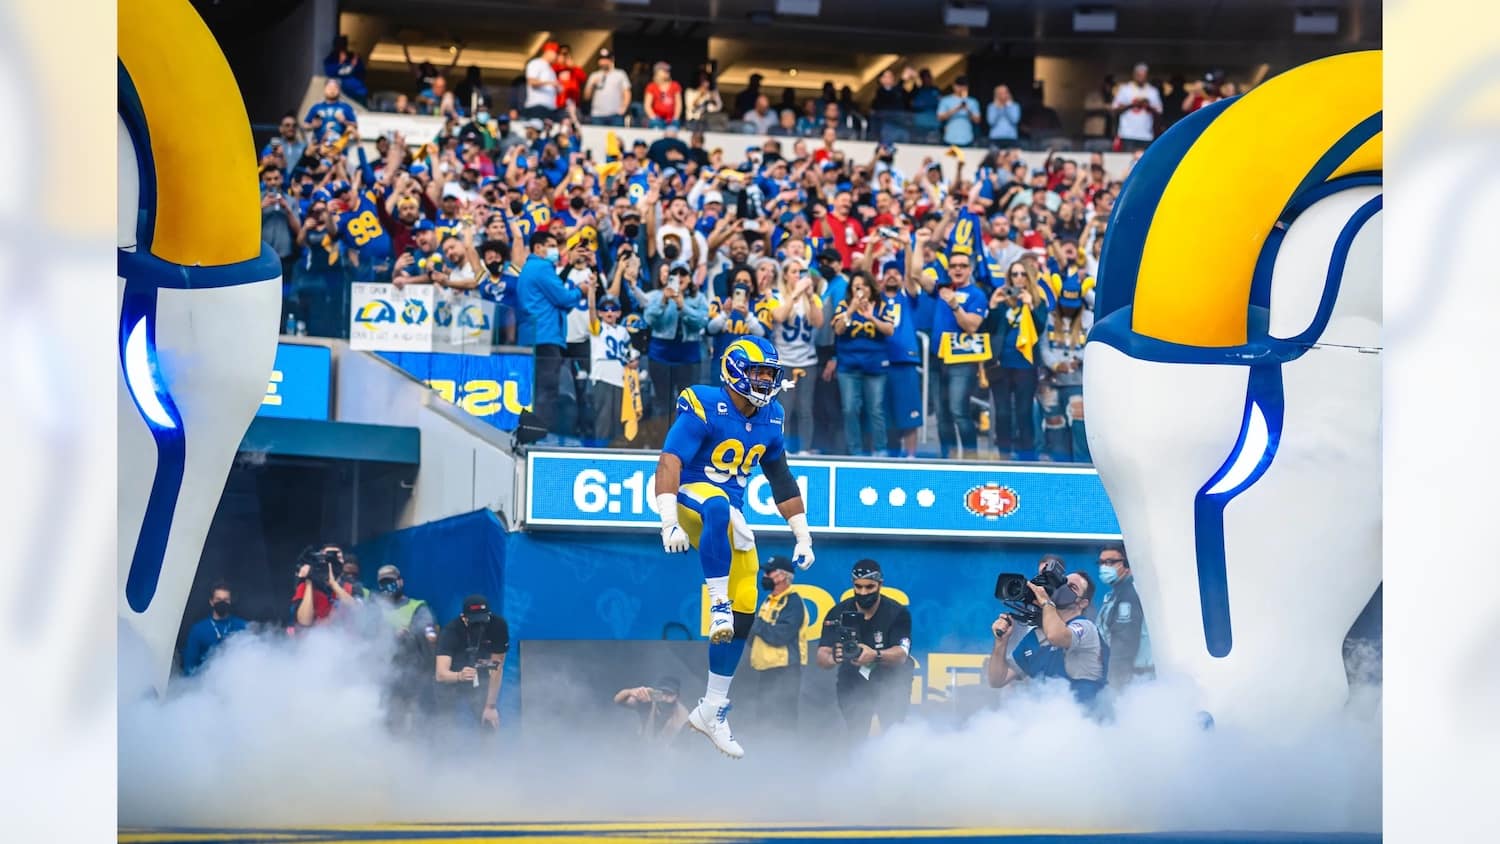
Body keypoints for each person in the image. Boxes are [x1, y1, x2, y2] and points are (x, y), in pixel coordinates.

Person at [654, 335, 817, 759]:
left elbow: (780, 477)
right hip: (692, 497)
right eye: (758, 373)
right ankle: (716, 601)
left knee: (745, 610)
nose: (765, 383)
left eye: (770, 375)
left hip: (730, 517)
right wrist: (668, 521)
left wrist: (802, 532)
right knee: (716, 504)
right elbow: (669, 460)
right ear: (733, 371)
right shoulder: (704, 402)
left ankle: (712, 708)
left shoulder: (772, 416)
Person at [815, 560, 913, 740]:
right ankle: (857, 764)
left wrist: (874, 655)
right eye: (858, 587)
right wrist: (834, 658)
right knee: (855, 734)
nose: (863, 592)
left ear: (880, 585)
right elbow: (822, 655)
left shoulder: (897, 612)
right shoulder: (837, 612)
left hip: (890, 679)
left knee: (893, 733)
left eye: (869, 587)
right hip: (853, 679)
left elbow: (902, 654)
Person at [912, 230, 988, 459]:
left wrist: (955, 305)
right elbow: (916, 273)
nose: (957, 269)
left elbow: (972, 326)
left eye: (962, 265)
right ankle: (949, 459)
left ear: (970, 269)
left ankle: (971, 458)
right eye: (953, 265)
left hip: (962, 361)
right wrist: (920, 242)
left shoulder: (977, 295)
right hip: (938, 358)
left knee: (958, 410)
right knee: (943, 414)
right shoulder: (941, 289)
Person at [987, 571, 1107, 707]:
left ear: (1083, 603)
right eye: (1063, 583)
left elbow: (1056, 636)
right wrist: (1001, 642)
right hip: (1046, 720)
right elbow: (997, 679)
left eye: (1072, 587)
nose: (1063, 589)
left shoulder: (1085, 627)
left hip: (1085, 719)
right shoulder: (1036, 635)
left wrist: (1046, 602)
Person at [517, 231, 581, 436]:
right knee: (547, 389)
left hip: (532, 336)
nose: (556, 250)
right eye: (552, 245)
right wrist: (582, 290)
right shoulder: (543, 267)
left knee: (535, 388)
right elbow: (563, 298)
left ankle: (531, 430)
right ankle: (541, 433)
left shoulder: (529, 268)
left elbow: (552, 296)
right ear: (538, 248)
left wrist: (569, 266)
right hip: (546, 337)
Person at [981, 261, 1046, 460]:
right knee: (1001, 413)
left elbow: (1040, 328)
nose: (1018, 278)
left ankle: (1027, 457)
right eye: (1014, 274)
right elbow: (988, 330)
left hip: (1025, 365)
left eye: (1022, 274)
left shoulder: (1037, 302)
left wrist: (1030, 306)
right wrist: (992, 306)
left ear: (1029, 278)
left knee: (1024, 412)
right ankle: (1004, 456)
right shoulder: (1001, 303)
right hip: (1000, 364)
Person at [830, 270, 894, 456]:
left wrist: (871, 317)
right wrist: (851, 310)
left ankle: (880, 451)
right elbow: (838, 330)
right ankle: (855, 451)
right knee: (850, 409)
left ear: (871, 287)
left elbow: (889, 330)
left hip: (875, 366)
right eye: (856, 285)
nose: (860, 289)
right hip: (849, 367)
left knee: (876, 409)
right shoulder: (843, 305)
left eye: (864, 285)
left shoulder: (881, 305)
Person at [765, 259, 823, 453]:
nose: (799, 276)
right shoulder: (775, 295)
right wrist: (796, 293)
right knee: (785, 408)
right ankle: (782, 449)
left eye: (801, 272)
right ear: (785, 275)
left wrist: (810, 296)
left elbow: (819, 322)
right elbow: (779, 316)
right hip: (784, 360)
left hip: (807, 360)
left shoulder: (812, 298)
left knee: (806, 408)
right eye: (794, 272)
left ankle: (805, 449)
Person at [747, 555, 805, 739]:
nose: (765, 575)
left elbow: (779, 636)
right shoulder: (769, 600)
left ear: (782, 576)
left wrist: (754, 623)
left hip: (785, 670)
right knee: (764, 720)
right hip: (767, 670)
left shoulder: (793, 602)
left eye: (769, 572)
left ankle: (784, 758)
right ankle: (766, 758)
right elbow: (755, 634)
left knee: (782, 721)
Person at [375, 565, 437, 731]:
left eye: (391, 581)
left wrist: (408, 633)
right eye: (383, 583)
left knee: (418, 725)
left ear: (400, 581)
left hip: (414, 676)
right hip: (386, 678)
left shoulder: (418, 607)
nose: (387, 586)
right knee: (390, 726)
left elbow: (429, 634)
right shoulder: (375, 609)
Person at [434, 594, 508, 730]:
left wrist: (490, 706)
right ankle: (445, 747)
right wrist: (459, 676)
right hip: (454, 677)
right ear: (464, 617)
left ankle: (489, 749)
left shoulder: (498, 625)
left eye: (483, 621)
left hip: (480, 676)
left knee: (489, 722)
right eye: (475, 621)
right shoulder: (450, 631)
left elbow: (497, 666)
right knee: (444, 722)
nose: (479, 626)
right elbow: (440, 674)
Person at [586, 279, 637, 446]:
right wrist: (591, 292)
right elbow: (591, 312)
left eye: (613, 309)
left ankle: (616, 451)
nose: (609, 313)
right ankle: (600, 451)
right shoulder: (598, 328)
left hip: (620, 379)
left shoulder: (623, 332)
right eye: (605, 309)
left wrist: (632, 363)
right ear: (601, 313)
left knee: (618, 419)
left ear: (619, 313)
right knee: (603, 419)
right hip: (602, 376)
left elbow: (630, 355)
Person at [1096, 544, 1148, 689]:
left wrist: (1117, 683)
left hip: (1135, 677)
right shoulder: (1115, 595)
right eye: (1101, 562)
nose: (1105, 567)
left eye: (1111, 562)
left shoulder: (1129, 595)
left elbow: (1124, 644)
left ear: (1127, 564)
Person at [180, 584, 247, 676]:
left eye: (225, 600)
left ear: (230, 601)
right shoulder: (198, 629)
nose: (222, 603)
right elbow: (190, 666)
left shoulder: (242, 626)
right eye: (218, 599)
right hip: (206, 683)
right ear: (211, 602)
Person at [290, 545, 359, 629]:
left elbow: (359, 613)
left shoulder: (351, 588)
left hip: (343, 639)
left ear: (343, 562)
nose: (332, 562)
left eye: (338, 557)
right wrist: (309, 581)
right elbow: (304, 622)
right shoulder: (306, 586)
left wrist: (334, 584)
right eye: (327, 557)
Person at [614, 676, 690, 744]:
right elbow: (618, 700)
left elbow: (685, 745)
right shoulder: (649, 699)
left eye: (670, 694)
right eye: (663, 693)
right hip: (641, 744)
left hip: (664, 753)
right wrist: (631, 691)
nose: (665, 698)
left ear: (677, 697)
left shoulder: (683, 716)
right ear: (657, 692)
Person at [1111, 63, 1163, 151]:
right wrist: (1132, 105)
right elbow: (1114, 109)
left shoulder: (1152, 91)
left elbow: (1159, 112)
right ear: (1134, 75)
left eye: (1143, 75)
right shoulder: (1125, 89)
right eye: (1139, 75)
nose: (1141, 78)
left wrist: (1148, 106)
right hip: (1127, 134)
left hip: (1146, 135)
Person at [584, 48, 631, 126]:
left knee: (615, 138)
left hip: (615, 114)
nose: (603, 62)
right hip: (597, 115)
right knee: (598, 137)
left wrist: (624, 107)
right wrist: (592, 85)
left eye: (606, 59)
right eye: (601, 59)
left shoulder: (620, 74)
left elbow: (627, 92)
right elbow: (586, 97)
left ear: (611, 59)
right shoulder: (594, 75)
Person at [937, 76, 981, 147]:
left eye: (964, 86)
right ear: (954, 86)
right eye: (959, 85)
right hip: (949, 138)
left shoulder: (973, 101)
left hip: (967, 139)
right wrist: (957, 108)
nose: (961, 88)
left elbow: (977, 120)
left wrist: (968, 110)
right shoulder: (945, 100)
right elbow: (939, 118)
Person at [524, 42, 561, 120]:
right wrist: (550, 83)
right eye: (555, 53)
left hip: (550, 108)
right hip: (537, 106)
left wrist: (558, 88)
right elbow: (531, 82)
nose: (556, 56)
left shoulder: (551, 69)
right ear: (548, 52)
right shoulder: (536, 63)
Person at [644, 62, 683, 128]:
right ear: (657, 72)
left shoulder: (675, 85)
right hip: (657, 119)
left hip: (671, 120)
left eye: (668, 70)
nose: (667, 72)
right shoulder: (652, 86)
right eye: (664, 70)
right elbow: (647, 105)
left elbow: (678, 104)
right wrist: (653, 118)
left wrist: (676, 118)